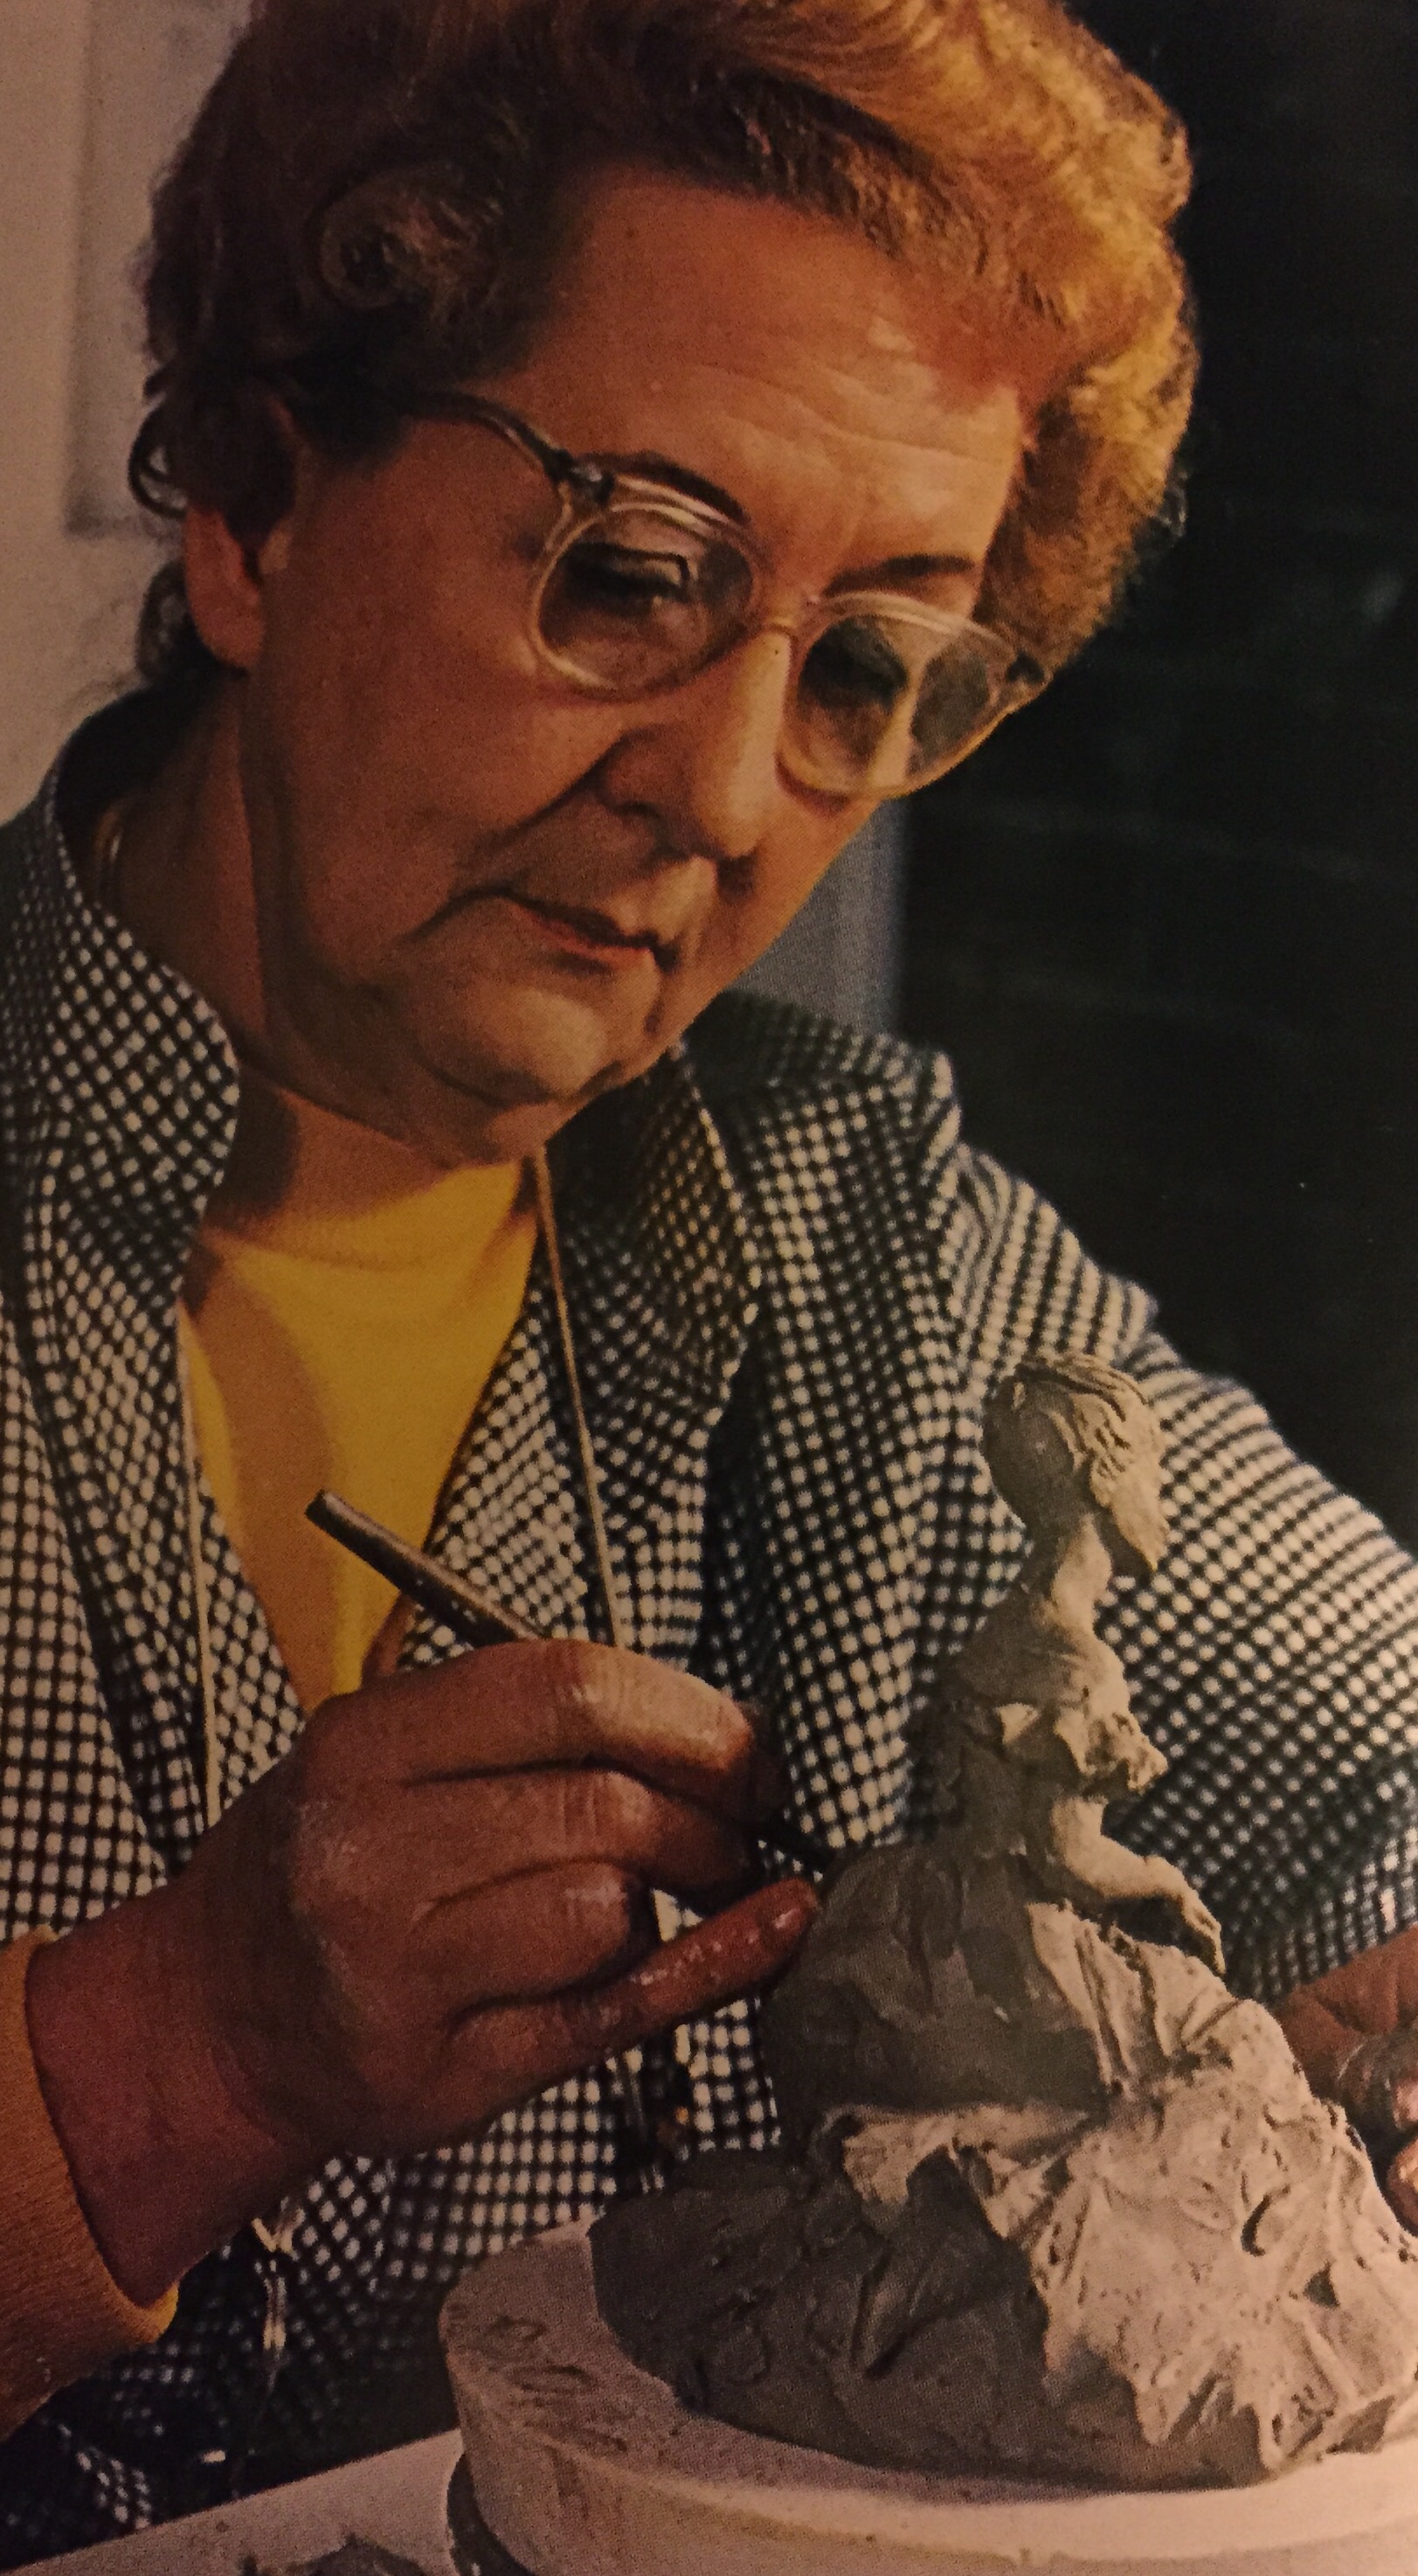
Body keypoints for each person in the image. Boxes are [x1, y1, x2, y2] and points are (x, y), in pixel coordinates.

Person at [3, 0, 1418, 2557]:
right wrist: (172, 2049)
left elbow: (1380, 1754)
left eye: (868, 663)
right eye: (638, 573)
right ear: (251, 502)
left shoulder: (868, 1241)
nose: (733, 792)